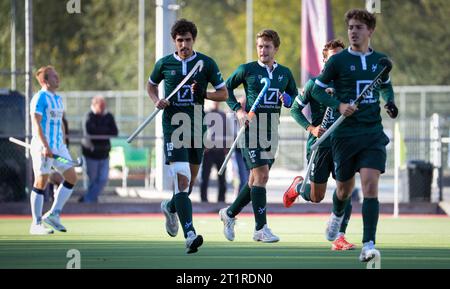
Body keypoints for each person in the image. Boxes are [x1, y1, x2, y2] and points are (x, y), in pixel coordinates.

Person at [310, 9, 398, 262]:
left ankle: (368, 244)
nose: (353, 32)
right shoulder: (337, 62)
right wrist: (338, 105)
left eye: (359, 27)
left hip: (372, 133)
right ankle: (337, 216)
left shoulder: (380, 61)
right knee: (344, 191)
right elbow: (316, 91)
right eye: (350, 27)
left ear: (370, 31)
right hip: (345, 136)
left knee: (370, 186)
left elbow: (385, 85)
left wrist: (389, 101)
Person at [147, 19, 228, 254]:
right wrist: (156, 101)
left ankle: (170, 207)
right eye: (180, 40)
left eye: (188, 40)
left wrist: (204, 94)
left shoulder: (206, 63)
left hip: (196, 129)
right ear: (175, 41)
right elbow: (151, 86)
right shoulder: (164, 64)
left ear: (194, 40)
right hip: (174, 129)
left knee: (189, 185)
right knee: (182, 182)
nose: (184, 44)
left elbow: (223, 94)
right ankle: (190, 235)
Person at [219, 29, 298, 243]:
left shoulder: (285, 73)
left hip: (272, 130)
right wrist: (238, 110)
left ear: (276, 49)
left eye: (267, 46)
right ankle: (260, 228)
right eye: (260, 46)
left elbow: (294, 97)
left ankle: (229, 214)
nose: (263, 50)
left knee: (256, 180)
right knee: (261, 175)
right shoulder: (247, 69)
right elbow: (225, 87)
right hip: (251, 129)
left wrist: (288, 99)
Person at [283, 39, 357, 251]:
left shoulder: (349, 83)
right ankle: (299, 186)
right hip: (320, 145)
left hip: (343, 145)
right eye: (333, 57)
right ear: (324, 60)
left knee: (346, 189)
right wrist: (312, 129)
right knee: (316, 196)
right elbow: (296, 110)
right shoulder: (314, 84)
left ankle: (340, 237)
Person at [29, 65, 78, 234]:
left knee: (72, 177)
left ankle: (54, 214)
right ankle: (36, 224)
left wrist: (63, 143)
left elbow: (60, 124)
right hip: (43, 146)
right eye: (53, 76)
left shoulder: (57, 99)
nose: (58, 78)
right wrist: (45, 146)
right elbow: (36, 123)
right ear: (44, 81)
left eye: (57, 75)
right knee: (41, 182)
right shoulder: (39, 98)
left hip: (58, 147)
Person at [80, 95, 118, 203]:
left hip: (104, 153)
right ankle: (91, 200)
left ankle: (87, 199)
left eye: (104, 106)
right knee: (93, 180)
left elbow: (114, 132)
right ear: (94, 105)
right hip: (91, 154)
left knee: (103, 179)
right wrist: (105, 130)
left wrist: (100, 131)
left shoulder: (108, 116)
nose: (102, 109)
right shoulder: (89, 116)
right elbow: (90, 132)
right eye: (100, 106)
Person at [200, 101, 228, 203]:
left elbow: (227, 131)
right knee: (205, 176)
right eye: (213, 101)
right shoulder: (206, 114)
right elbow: (201, 131)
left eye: (217, 101)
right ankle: (203, 199)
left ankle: (221, 199)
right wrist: (203, 145)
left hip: (220, 151)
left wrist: (226, 147)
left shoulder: (223, 115)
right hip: (209, 151)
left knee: (222, 177)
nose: (215, 103)